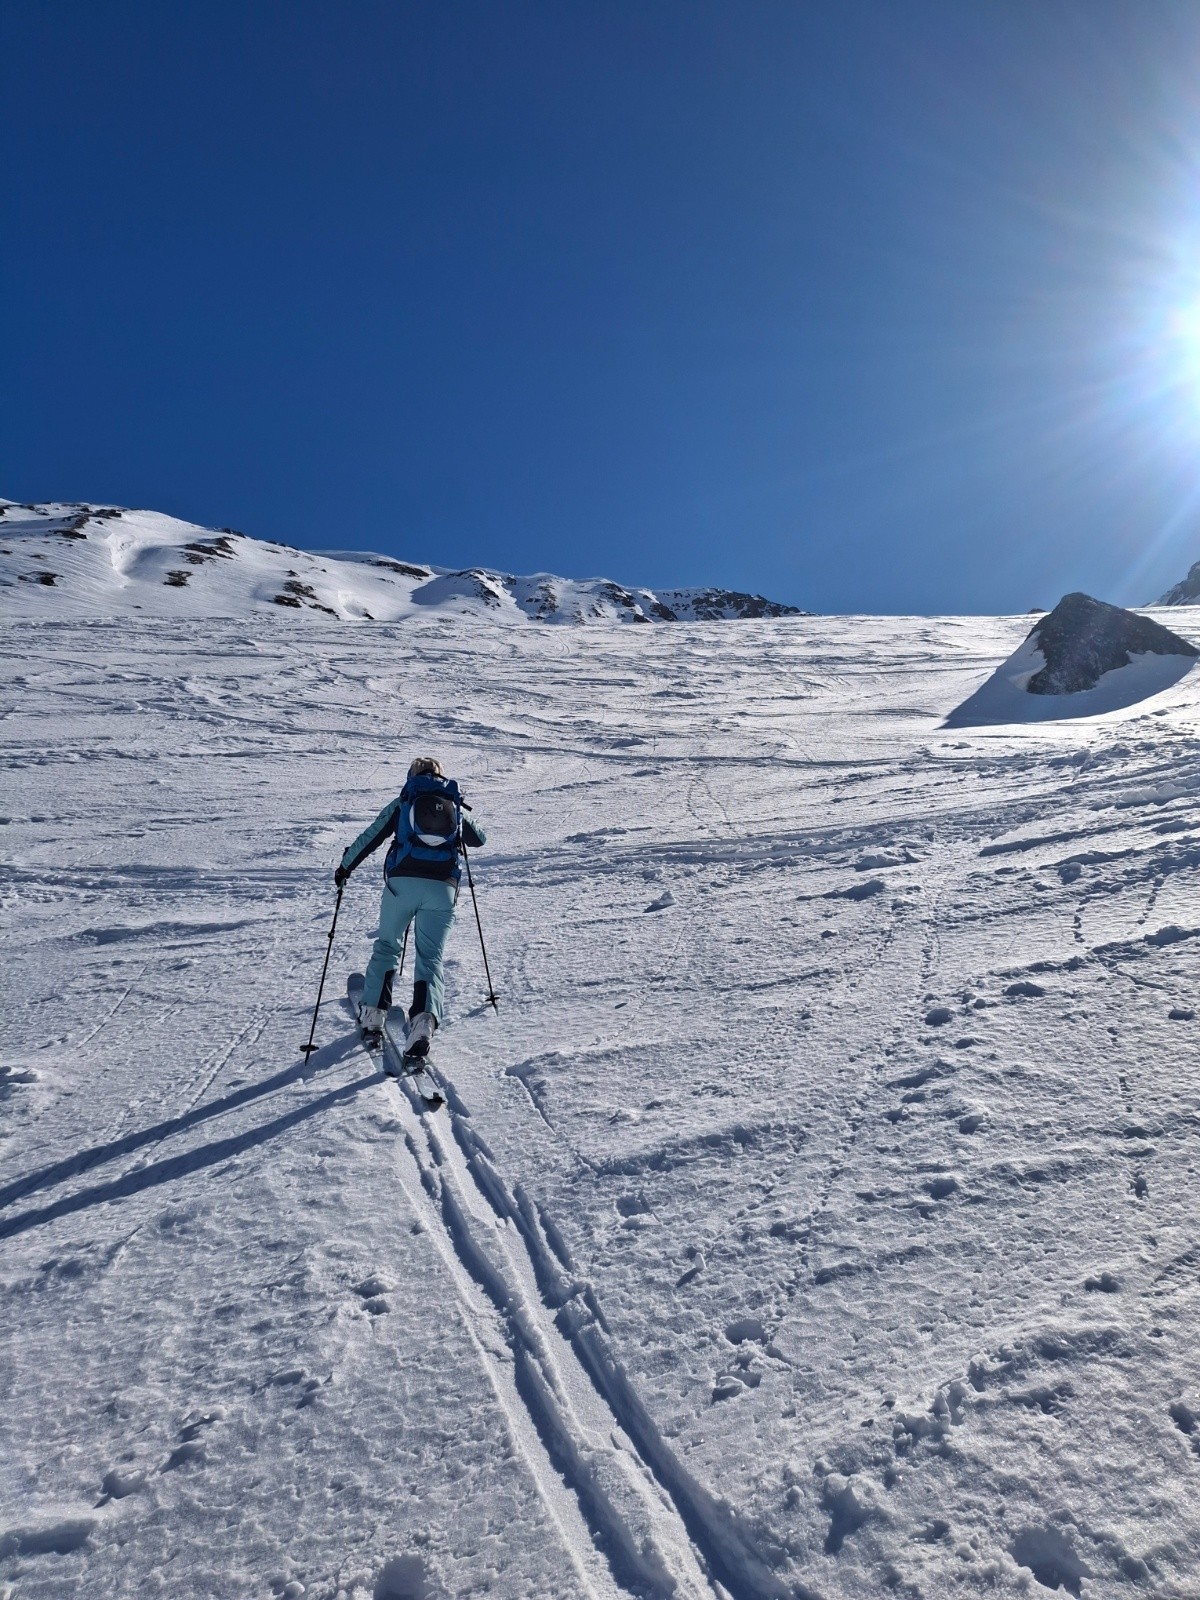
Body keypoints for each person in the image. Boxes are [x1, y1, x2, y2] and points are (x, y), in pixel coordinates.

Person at [335, 757, 486, 1056]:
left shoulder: (403, 802)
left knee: (388, 946)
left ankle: (374, 1016)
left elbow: (371, 836)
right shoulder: (452, 804)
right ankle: (423, 1024)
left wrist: (344, 867)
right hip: (443, 889)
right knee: (430, 958)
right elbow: (479, 839)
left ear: (411, 776)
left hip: (401, 885)